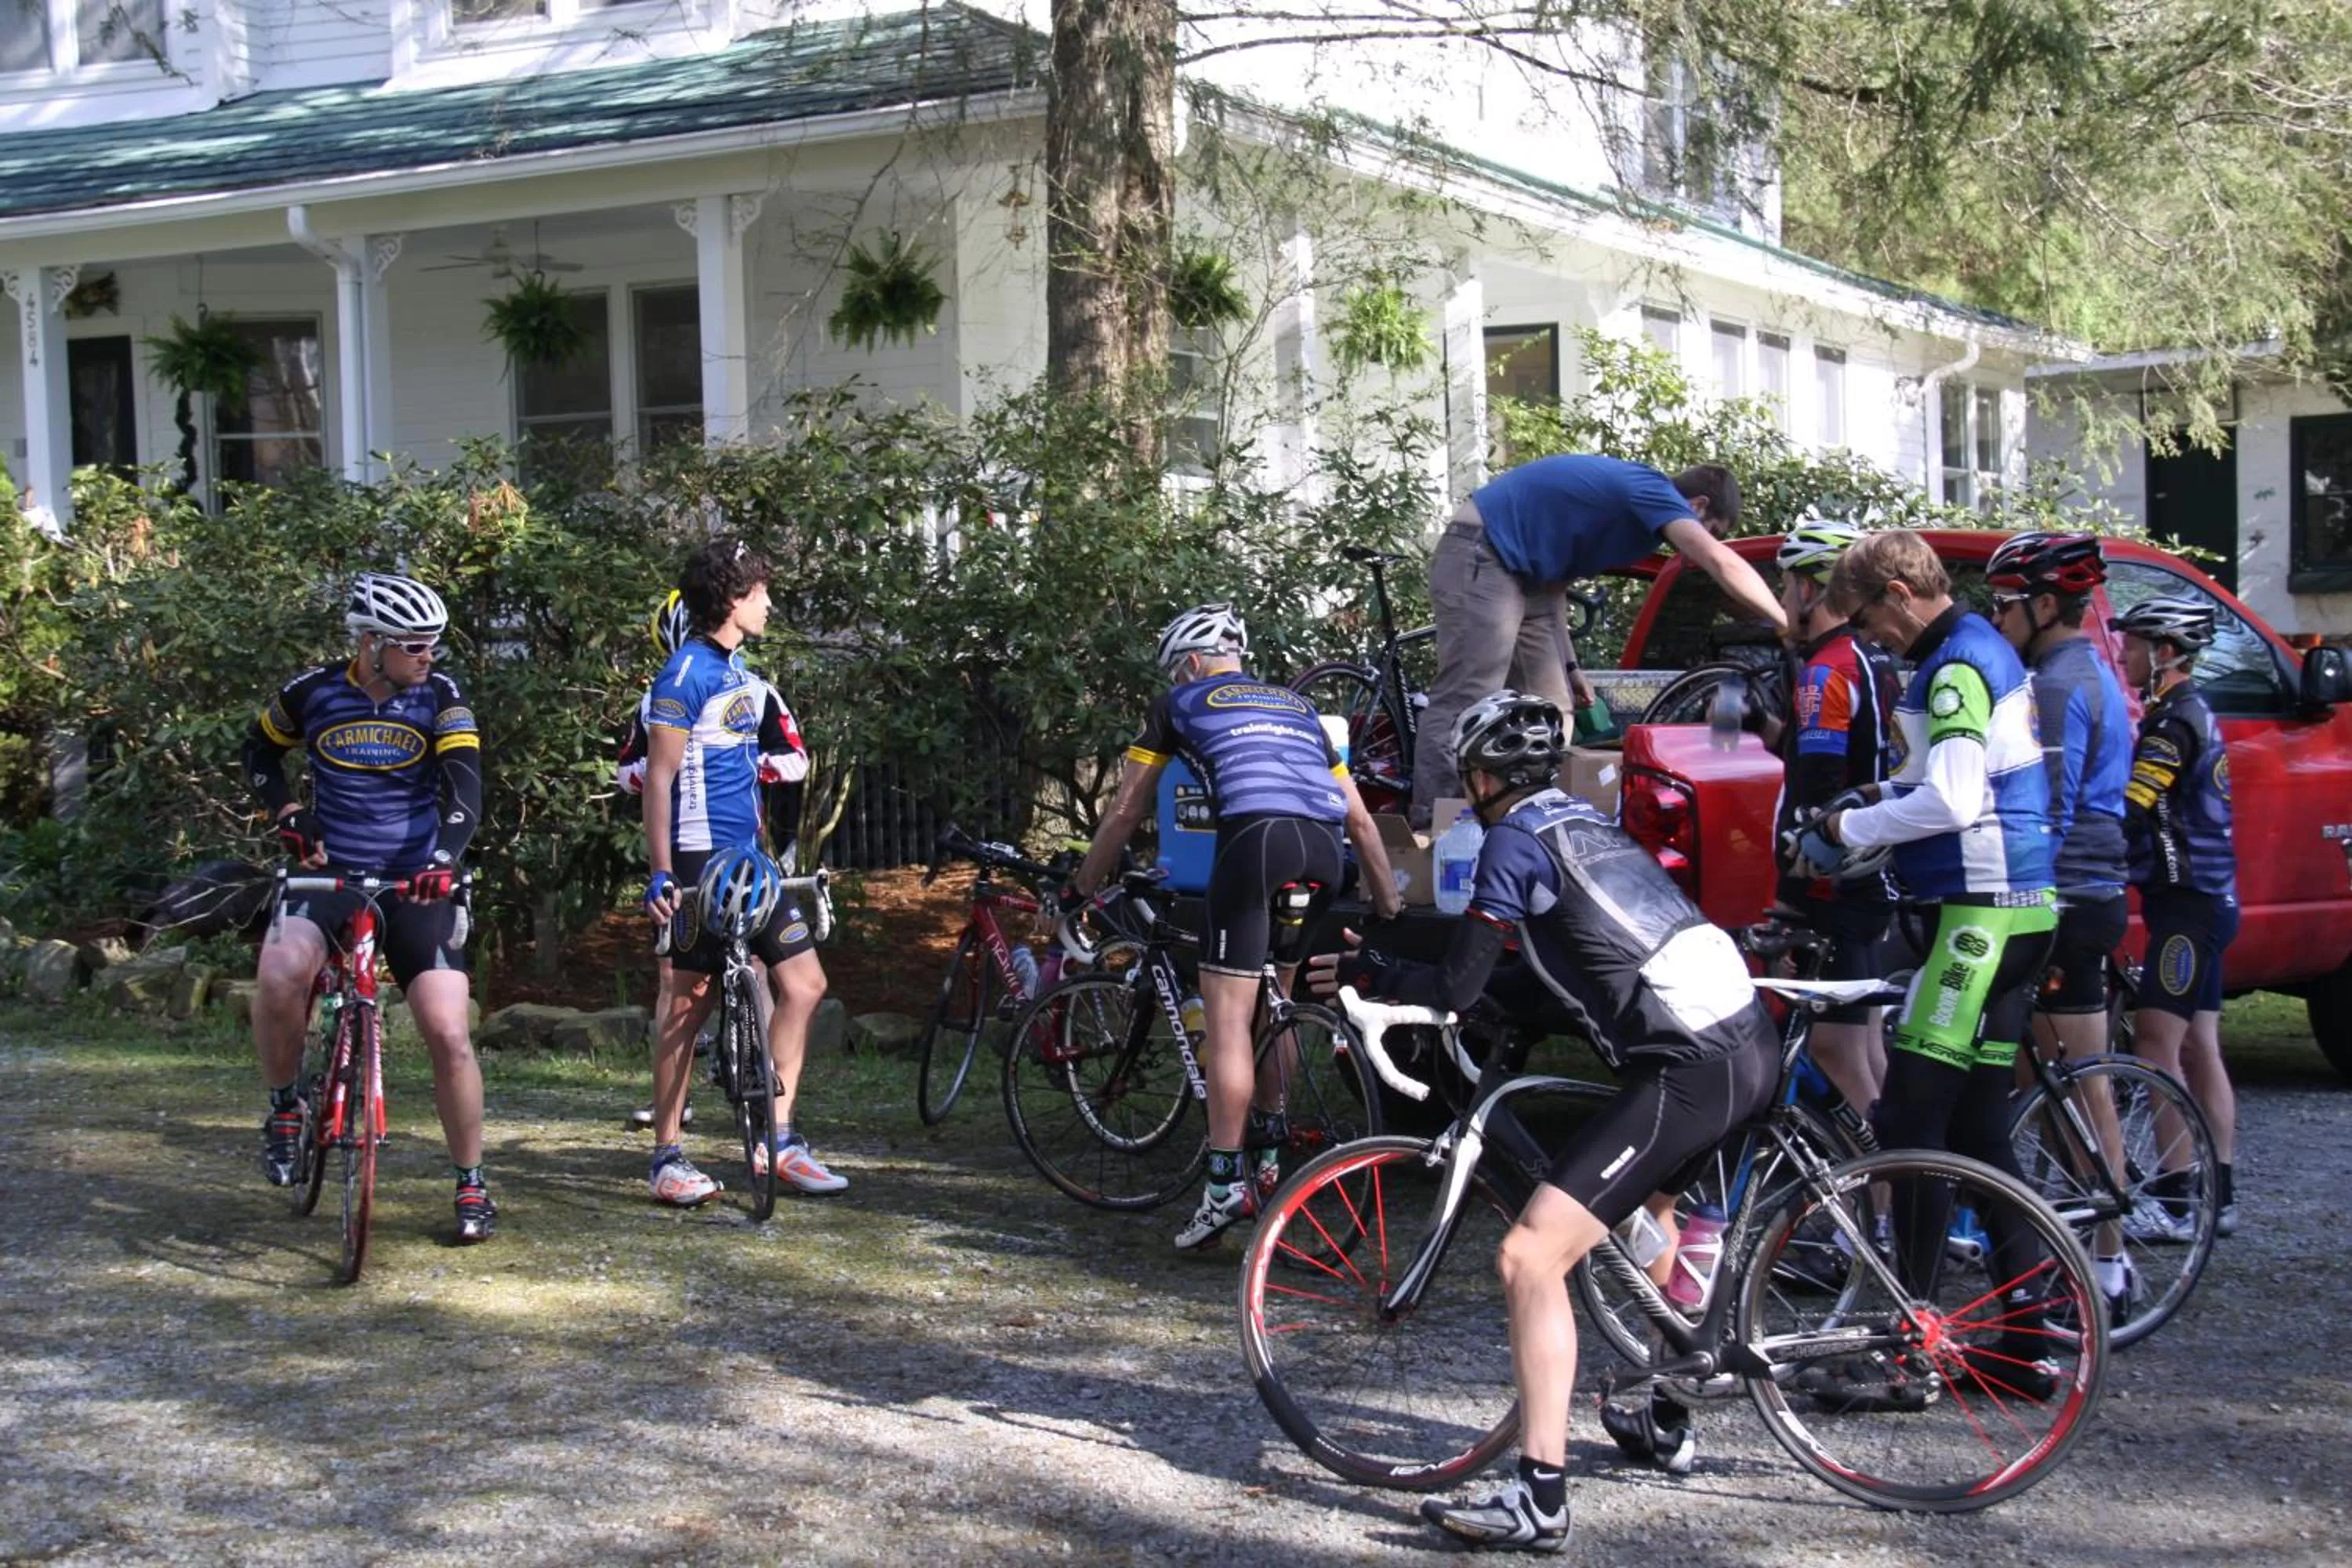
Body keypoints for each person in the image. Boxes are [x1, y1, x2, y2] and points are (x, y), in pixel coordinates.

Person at [1306, 690, 1780, 1554]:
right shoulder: (1587, 825)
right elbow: (1563, 970)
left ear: (1482, 777)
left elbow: (1455, 986)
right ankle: (1666, 1409)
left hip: (1686, 1061)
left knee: (1531, 1254)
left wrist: (1373, 968)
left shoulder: (1512, 841)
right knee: (1656, 1217)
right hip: (1743, 1035)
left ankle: (1539, 1496)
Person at [1798, 530, 2060, 1403]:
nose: (1868, 635)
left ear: (1904, 591)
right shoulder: (1977, 647)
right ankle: (2026, 1344)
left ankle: (1910, 1352)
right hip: (2019, 912)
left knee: (1911, 1122)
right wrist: (1879, 794)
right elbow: (1940, 774)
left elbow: (1955, 797)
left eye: (1870, 615)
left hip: (1979, 919)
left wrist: (1848, 831)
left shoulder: (1954, 664)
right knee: (1981, 1129)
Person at [1059, 604, 1403, 1251]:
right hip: (1323, 852)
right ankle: (1271, 1166)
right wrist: (1388, 906)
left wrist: (1081, 888)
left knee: (1228, 1021)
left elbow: (1128, 809)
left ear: (1188, 663)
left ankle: (1224, 1187)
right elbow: (1359, 819)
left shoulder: (1180, 701)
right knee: (1281, 1001)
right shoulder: (1299, 709)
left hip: (1256, 843)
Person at [245, 572, 494, 1243]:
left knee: (447, 1031)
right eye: (414, 646)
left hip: (418, 881)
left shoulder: (440, 696)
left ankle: (471, 1181)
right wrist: (287, 812)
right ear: (372, 643)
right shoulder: (311, 693)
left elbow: (467, 787)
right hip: (333, 876)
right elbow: (258, 750)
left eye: (433, 645)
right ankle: (284, 1108)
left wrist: (443, 860)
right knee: (278, 975)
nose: (428, 657)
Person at [1412, 455, 1785, 821]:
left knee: (1553, 707)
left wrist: (1571, 666)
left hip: (1529, 575)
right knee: (1471, 694)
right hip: (1483, 549)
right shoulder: (1653, 493)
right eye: (1713, 530)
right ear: (1697, 506)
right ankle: (1436, 823)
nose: (1705, 543)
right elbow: (1721, 561)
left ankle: (1528, 820)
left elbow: (1555, 585)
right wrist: (1785, 623)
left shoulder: (1636, 529)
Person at [639, 539, 840, 1206]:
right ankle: (667, 1156)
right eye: (760, 592)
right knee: (689, 1003)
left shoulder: (739, 672)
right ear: (731, 598)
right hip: (699, 857)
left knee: (805, 984)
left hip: (750, 859)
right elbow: (659, 779)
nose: (769, 602)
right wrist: (663, 874)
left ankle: (776, 1139)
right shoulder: (684, 673)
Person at [1986, 532, 2139, 1309]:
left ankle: (2107, 1257)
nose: (1996, 617)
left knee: (2079, 1086)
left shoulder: (2054, 685)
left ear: (2047, 605)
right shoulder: (2092, 671)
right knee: (2053, 1084)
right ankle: (2082, 1246)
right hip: (2090, 891)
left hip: (2066, 898)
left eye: (2004, 603)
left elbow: (2044, 807)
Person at [619, 589, 810, 1130]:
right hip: (687, 850)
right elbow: (635, 770)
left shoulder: (757, 688)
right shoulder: (673, 686)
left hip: (745, 855)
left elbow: (795, 759)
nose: (769, 604)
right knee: (679, 987)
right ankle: (671, 1127)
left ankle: (771, 1113)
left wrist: (752, 766)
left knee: (781, 975)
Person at [1755, 519, 1898, 1118]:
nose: (1783, 599)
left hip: (1833, 885)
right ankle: (1892, 1194)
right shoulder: (1869, 660)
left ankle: (1894, 1187)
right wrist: (1768, 732)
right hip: (1865, 880)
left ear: (1811, 590)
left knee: (1838, 1049)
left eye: (1787, 585)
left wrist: (1793, 891)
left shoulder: (1826, 670)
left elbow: (1819, 787)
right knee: (1863, 1048)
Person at [2116, 594, 2241, 1239]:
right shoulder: (2192, 711)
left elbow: (2132, 809)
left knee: (2156, 1046)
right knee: (2201, 1046)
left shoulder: (2171, 726)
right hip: (2213, 901)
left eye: (2135, 645)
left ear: (2165, 653)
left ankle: (2172, 1199)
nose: (2124, 653)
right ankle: (2218, 1195)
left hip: (2186, 910)